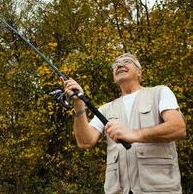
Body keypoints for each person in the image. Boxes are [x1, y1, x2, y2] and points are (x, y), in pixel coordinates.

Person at [62, 53, 186, 194]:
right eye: (116, 65)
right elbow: (85, 142)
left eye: (127, 61)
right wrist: (79, 104)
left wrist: (134, 134)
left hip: (160, 190)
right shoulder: (105, 109)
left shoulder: (160, 93)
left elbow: (178, 127)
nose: (120, 65)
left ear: (139, 72)